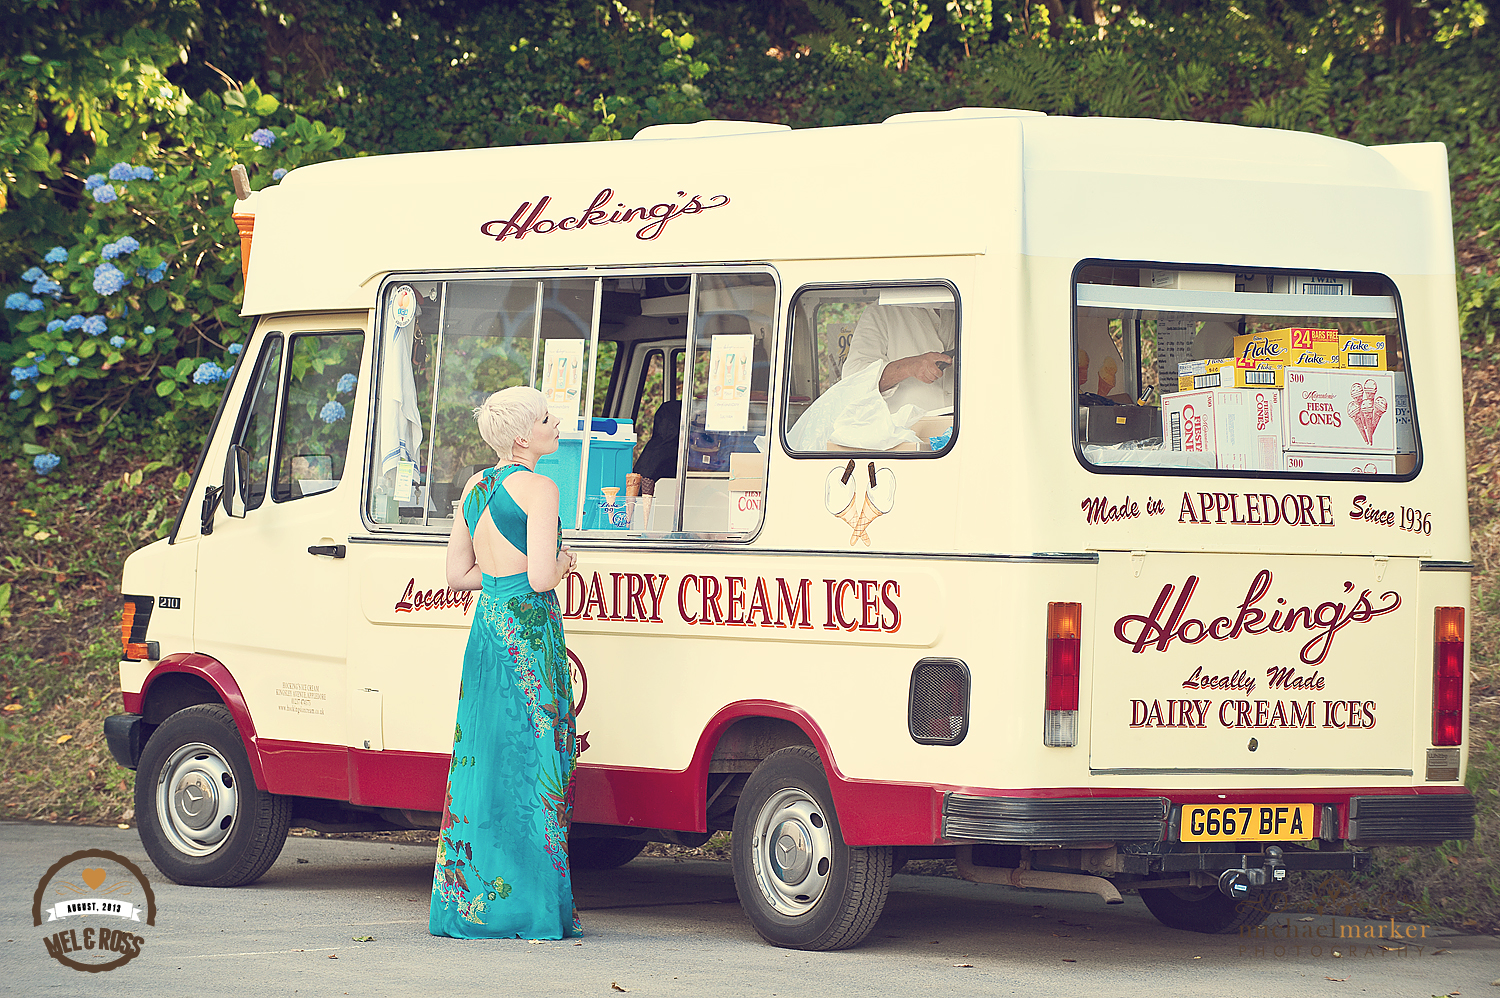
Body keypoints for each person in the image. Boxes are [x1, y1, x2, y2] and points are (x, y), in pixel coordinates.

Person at [430, 385, 582, 940]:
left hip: (488, 629)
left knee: (483, 756)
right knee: (537, 760)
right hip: (530, 629)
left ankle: (470, 903)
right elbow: (542, 576)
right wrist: (566, 561)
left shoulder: (475, 487)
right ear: (523, 436)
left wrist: (499, 581)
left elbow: (457, 574)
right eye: (547, 418)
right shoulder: (541, 489)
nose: (556, 423)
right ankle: (531, 908)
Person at [842, 303, 956, 413]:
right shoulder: (881, 311)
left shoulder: (962, 302)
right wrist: (908, 367)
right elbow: (853, 380)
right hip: (905, 429)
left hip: (962, 427)